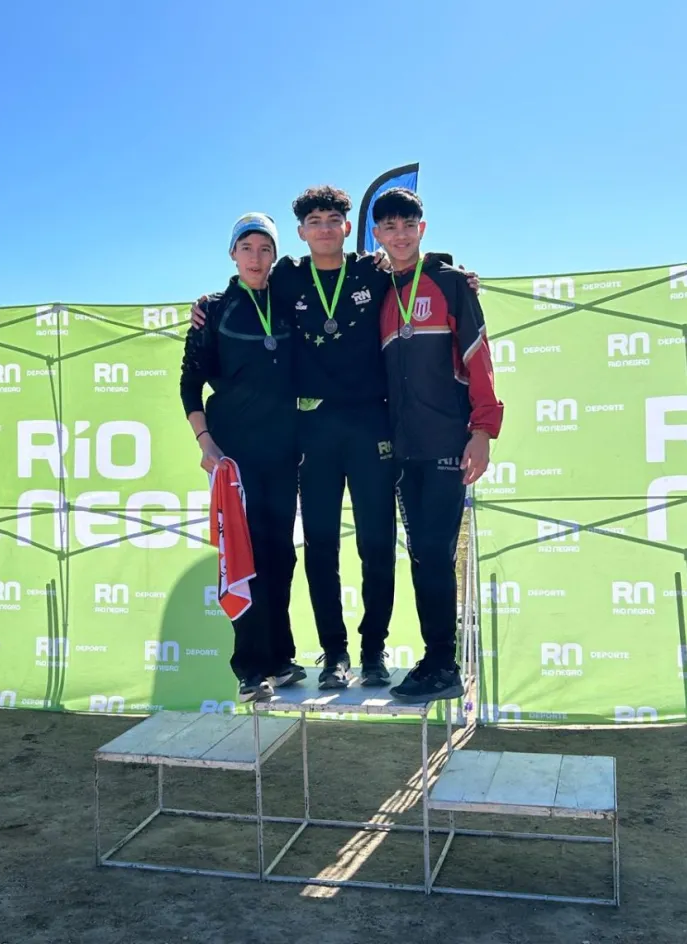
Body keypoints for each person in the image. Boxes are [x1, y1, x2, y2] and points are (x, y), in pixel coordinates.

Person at [191, 186, 481, 691]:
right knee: (320, 546)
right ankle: (335, 654)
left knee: (376, 544)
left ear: (349, 227)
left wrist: (461, 275)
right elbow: (246, 281)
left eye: (333, 220)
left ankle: (373, 650)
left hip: (373, 425)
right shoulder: (287, 276)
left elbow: (421, 264)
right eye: (314, 221)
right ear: (301, 233)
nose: (324, 228)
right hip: (314, 428)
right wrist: (207, 306)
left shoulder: (373, 269)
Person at [373, 187, 504, 702]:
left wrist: (482, 432)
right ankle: (436, 659)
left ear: (421, 229)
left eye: (409, 225)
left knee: (434, 549)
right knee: (424, 558)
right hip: (404, 452)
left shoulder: (450, 284)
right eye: (389, 227)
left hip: (449, 441)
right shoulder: (381, 292)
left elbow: (479, 360)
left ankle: (442, 663)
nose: (400, 235)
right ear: (378, 235)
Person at [179, 213, 304, 703]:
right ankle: (250, 668)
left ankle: (280, 657)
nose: (256, 257)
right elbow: (190, 382)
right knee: (243, 559)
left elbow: (339, 264)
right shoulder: (214, 308)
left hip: (284, 449)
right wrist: (205, 442)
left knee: (282, 555)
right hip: (235, 454)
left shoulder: (291, 299)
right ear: (232, 253)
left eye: (265, 248)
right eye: (247, 247)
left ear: (275, 254)